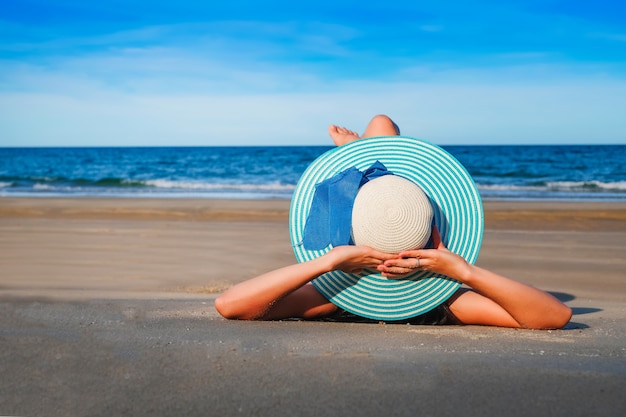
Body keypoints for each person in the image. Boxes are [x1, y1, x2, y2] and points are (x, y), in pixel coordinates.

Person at [215, 115, 572, 329]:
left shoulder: (333, 297)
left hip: (353, 269)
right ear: (435, 237)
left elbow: (230, 304)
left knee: (380, 124)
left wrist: (331, 261)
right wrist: (463, 272)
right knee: (383, 123)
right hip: (423, 275)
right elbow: (554, 316)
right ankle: (366, 158)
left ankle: (361, 159)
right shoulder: (445, 302)